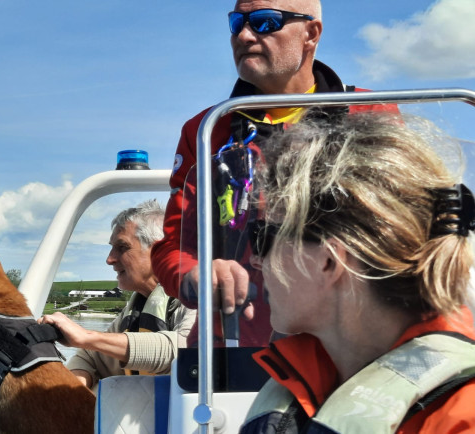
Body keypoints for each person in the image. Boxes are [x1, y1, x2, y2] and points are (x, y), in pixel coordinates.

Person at [150, 0, 397, 347]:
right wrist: (196, 275)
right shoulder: (205, 130)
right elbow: (173, 248)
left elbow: (401, 232)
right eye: (237, 23)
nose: (245, 35)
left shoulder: (369, 113)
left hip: (350, 349)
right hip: (232, 355)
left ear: (311, 33)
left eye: (266, 22)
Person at [239, 113, 475, 432]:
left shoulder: (461, 417)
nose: (255, 261)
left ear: (330, 261)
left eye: (263, 238)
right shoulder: (306, 380)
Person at [39, 200, 196, 389]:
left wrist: (87, 336)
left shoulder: (195, 296)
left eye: (122, 247)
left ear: (159, 252)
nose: (109, 259)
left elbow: (185, 349)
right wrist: (75, 388)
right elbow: (89, 357)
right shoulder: (136, 308)